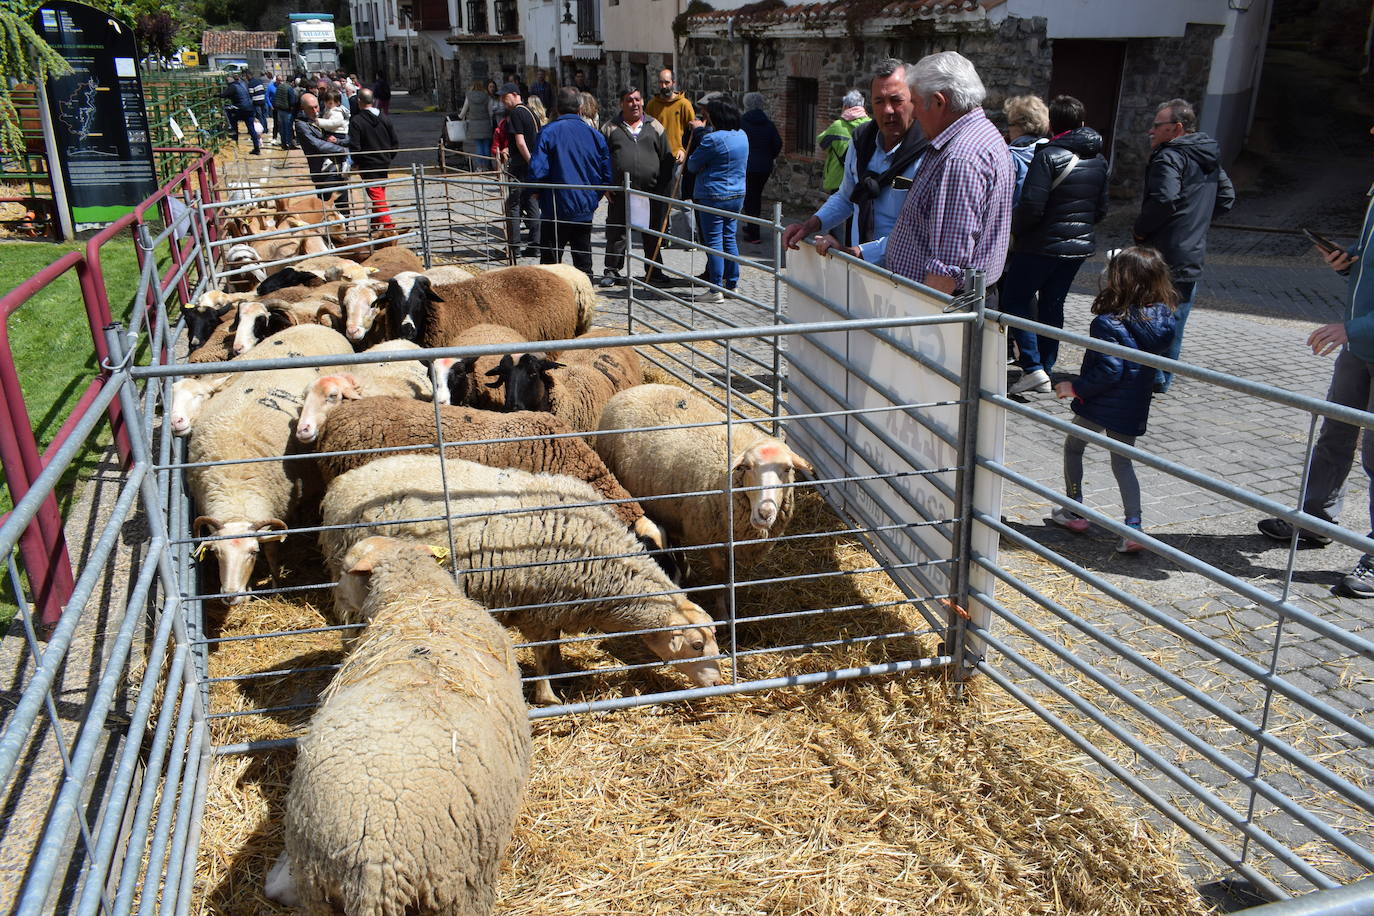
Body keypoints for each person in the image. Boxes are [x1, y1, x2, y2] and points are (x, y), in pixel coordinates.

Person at [1257, 125, 1374, 596]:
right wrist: (1352, 261)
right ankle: (1316, 519)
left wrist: (1354, 328)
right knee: (1335, 433)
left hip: (1361, 335)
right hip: (1361, 345)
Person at [1049, 246, 1178, 553]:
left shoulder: (1108, 322)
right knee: (1123, 463)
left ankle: (1074, 510)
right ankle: (1134, 526)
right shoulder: (1162, 319)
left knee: (1074, 446)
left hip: (1100, 402)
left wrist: (1075, 387)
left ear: (1120, 280)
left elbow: (1109, 370)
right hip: (1132, 404)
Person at [1003, 95, 1111, 395]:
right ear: (1082, 122)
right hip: (1078, 248)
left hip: (1040, 245)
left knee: (1015, 300)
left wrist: (1016, 232)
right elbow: (1101, 209)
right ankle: (1046, 366)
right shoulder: (1099, 159)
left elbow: (1032, 206)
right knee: (1053, 304)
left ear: (1053, 124)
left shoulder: (1049, 155)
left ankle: (1034, 368)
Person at [780, 58, 926, 271]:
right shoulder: (860, 141)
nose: (887, 110)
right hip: (862, 271)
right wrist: (809, 226)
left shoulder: (929, 151)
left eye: (896, 100)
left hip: (905, 279)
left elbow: (921, 229)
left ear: (914, 98)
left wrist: (858, 253)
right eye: (879, 101)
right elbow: (846, 197)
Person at [886, 51, 1013, 293]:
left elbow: (947, 268)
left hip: (943, 308)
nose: (912, 113)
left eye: (913, 102)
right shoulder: (983, 134)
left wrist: (917, 321)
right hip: (963, 300)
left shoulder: (960, 157)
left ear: (938, 102)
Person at [1133, 97, 1235, 392]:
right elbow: (1227, 199)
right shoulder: (1207, 155)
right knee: (1176, 318)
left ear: (1177, 128)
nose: (1151, 131)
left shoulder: (1169, 156)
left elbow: (1164, 199)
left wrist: (1140, 231)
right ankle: (1162, 378)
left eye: (1157, 125)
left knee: (1152, 316)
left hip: (1163, 253)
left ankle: (1151, 377)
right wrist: (1196, 221)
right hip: (1192, 250)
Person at [527, 86, 612, 276]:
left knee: (550, 265)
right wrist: (593, 198)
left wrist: (536, 191)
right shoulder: (595, 135)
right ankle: (584, 300)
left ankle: (550, 303)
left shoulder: (548, 132)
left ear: (557, 108)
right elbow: (606, 173)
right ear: (580, 108)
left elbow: (538, 169)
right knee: (583, 262)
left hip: (555, 208)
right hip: (583, 207)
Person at [600, 85, 674, 287]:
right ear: (621, 104)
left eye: (637, 99)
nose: (635, 104)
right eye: (629, 100)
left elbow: (667, 158)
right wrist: (605, 186)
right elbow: (600, 160)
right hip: (620, 192)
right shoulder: (610, 128)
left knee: (651, 232)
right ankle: (612, 270)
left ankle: (653, 270)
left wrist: (663, 190)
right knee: (616, 232)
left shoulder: (655, 126)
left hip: (650, 192)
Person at [685, 97, 748, 304]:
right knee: (729, 238)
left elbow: (692, 165)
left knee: (713, 242)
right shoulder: (742, 136)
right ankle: (733, 284)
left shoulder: (713, 139)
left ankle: (715, 289)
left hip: (713, 194)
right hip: (736, 194)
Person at [500, 82, 541, 257]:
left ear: (515, 94)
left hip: (521, 166)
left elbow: (520, 141)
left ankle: (514, 246)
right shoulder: (531, 112)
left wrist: (531, 162)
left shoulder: (516, 113)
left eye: (505, 97)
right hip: (530, 165)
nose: (503, 101)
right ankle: (536, 244)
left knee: (514, 205)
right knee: (531, 202)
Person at [349, 87, 400, 230]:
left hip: (368, 165)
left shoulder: (356, 121)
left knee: (377, 196)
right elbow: (395, 142)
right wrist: (388, 157)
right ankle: (375, 224)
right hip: (383, 162)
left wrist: (356, 163)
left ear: (359, 101)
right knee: (379, 195)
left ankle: (389, 227)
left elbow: (355, 146)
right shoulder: (384, 118)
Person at [294, 91, 350, 215]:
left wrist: (340, 141)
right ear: (303, 108)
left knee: (344, 206)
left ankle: (345, 231)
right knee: (326, 208)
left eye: (316, 107)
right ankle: (328, 234)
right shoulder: (301, 124)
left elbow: (346, 136)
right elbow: (317, 145)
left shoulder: (324, 117)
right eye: (311, 108)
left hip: (339, 169)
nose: (315, 111)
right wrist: (342, 149)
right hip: (323, 172)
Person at [740, 92, 782, 244]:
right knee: (755, 197)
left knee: (750, 198)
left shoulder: (742, 122)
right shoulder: (768, 124)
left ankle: (754, 233)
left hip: (747, 165)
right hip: (764, 167)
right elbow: (777, 144)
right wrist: (769, 157)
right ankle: (751, 225)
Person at [817, 89, 870, 195]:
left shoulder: (837, 126)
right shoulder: (870, 125)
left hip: (838, 180)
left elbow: (822, 142)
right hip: (860, 181)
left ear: (846, 106)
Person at [1003, 94, 1049, 208]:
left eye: (1010, 124)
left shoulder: (1011, 156)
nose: (1008, 130)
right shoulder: (1052, 149)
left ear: (1022, 125)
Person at [646, 68, 695, 163]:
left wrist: (683, 150)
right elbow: (646, 130)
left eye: (667, 82)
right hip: (656, 156)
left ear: (673, 82)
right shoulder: (652, 105)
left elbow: (692, 132)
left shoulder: (684, 104)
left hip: (676, 157)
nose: (663, 86)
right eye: (661, 82)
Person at [221, 75, 261, 155]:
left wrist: (216, 95)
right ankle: (257, 148)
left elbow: (224, 95)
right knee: (251, 129)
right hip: (250, 108)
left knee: (228, 112)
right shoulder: (242, 84)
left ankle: (233, 132)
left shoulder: (232, 87)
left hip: (241, 109)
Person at [459, 80, 494, 161]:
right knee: (486, 146)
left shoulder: (469, 96)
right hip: (486, 124)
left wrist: (459, 117)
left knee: (478, 146)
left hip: (474, 125)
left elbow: (464, 110)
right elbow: (491, 112)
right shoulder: (486, 96)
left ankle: (480, 166)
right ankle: (487, 166)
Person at [272, 75, 296, 150]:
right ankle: (289, 144)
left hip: (279, 111)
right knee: (288, 128)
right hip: (287, 111)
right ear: (292, 82)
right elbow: (292, 101)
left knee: (282, 128)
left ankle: (283, 144)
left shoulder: (279, 87)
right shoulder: (289, 88)